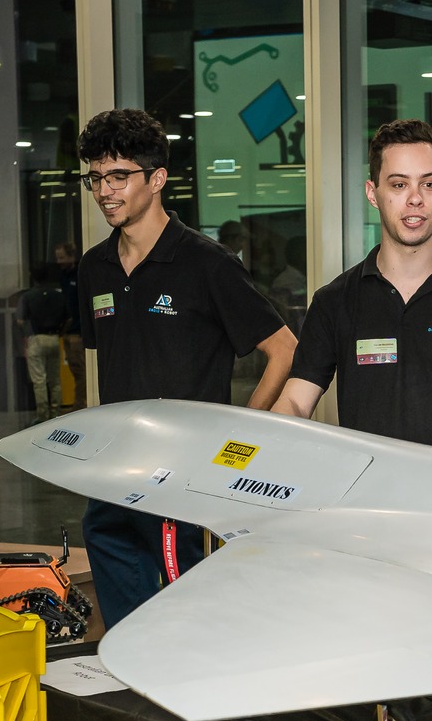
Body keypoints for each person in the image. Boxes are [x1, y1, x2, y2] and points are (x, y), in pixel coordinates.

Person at [76, 108, 296, 630]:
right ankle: (134, 665)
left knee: (189, 596)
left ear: (156, 179)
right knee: (108, 549)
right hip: (114, 465)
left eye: (119, 176)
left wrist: (236, 436)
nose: (105, 191)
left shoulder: (206, 263)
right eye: (96, 178)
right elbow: (105, 361)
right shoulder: (94, 267)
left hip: (184, 472)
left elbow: (285, 348)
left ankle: (198, 684)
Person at [272, 119, 432, 453]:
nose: (415, 199)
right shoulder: (335, 301)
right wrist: (270, 438)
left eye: (429, 184)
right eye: (398, 185)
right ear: (372, 193)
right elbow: (295, 400)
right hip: (363, 499)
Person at [17, 261, 70, 421]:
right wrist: (60, 332)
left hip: (36, 338)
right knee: (55, 380)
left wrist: (27, 334)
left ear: (32, 276)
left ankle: (42, 415)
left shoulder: (28, 296)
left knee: (39, 380)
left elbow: (20, 320)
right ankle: (56, 413)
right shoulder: (58, 295)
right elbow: (68, 318)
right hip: (53, 338)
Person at [54, 241, 82, 405]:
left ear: (71, 256)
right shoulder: (63, 276)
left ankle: (81, 405)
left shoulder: (79, 274)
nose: (59, 262)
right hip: (68, 331)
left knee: (81, 372)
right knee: (74, 370)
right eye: (57, 258)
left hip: (78, 332)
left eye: (62, 258)